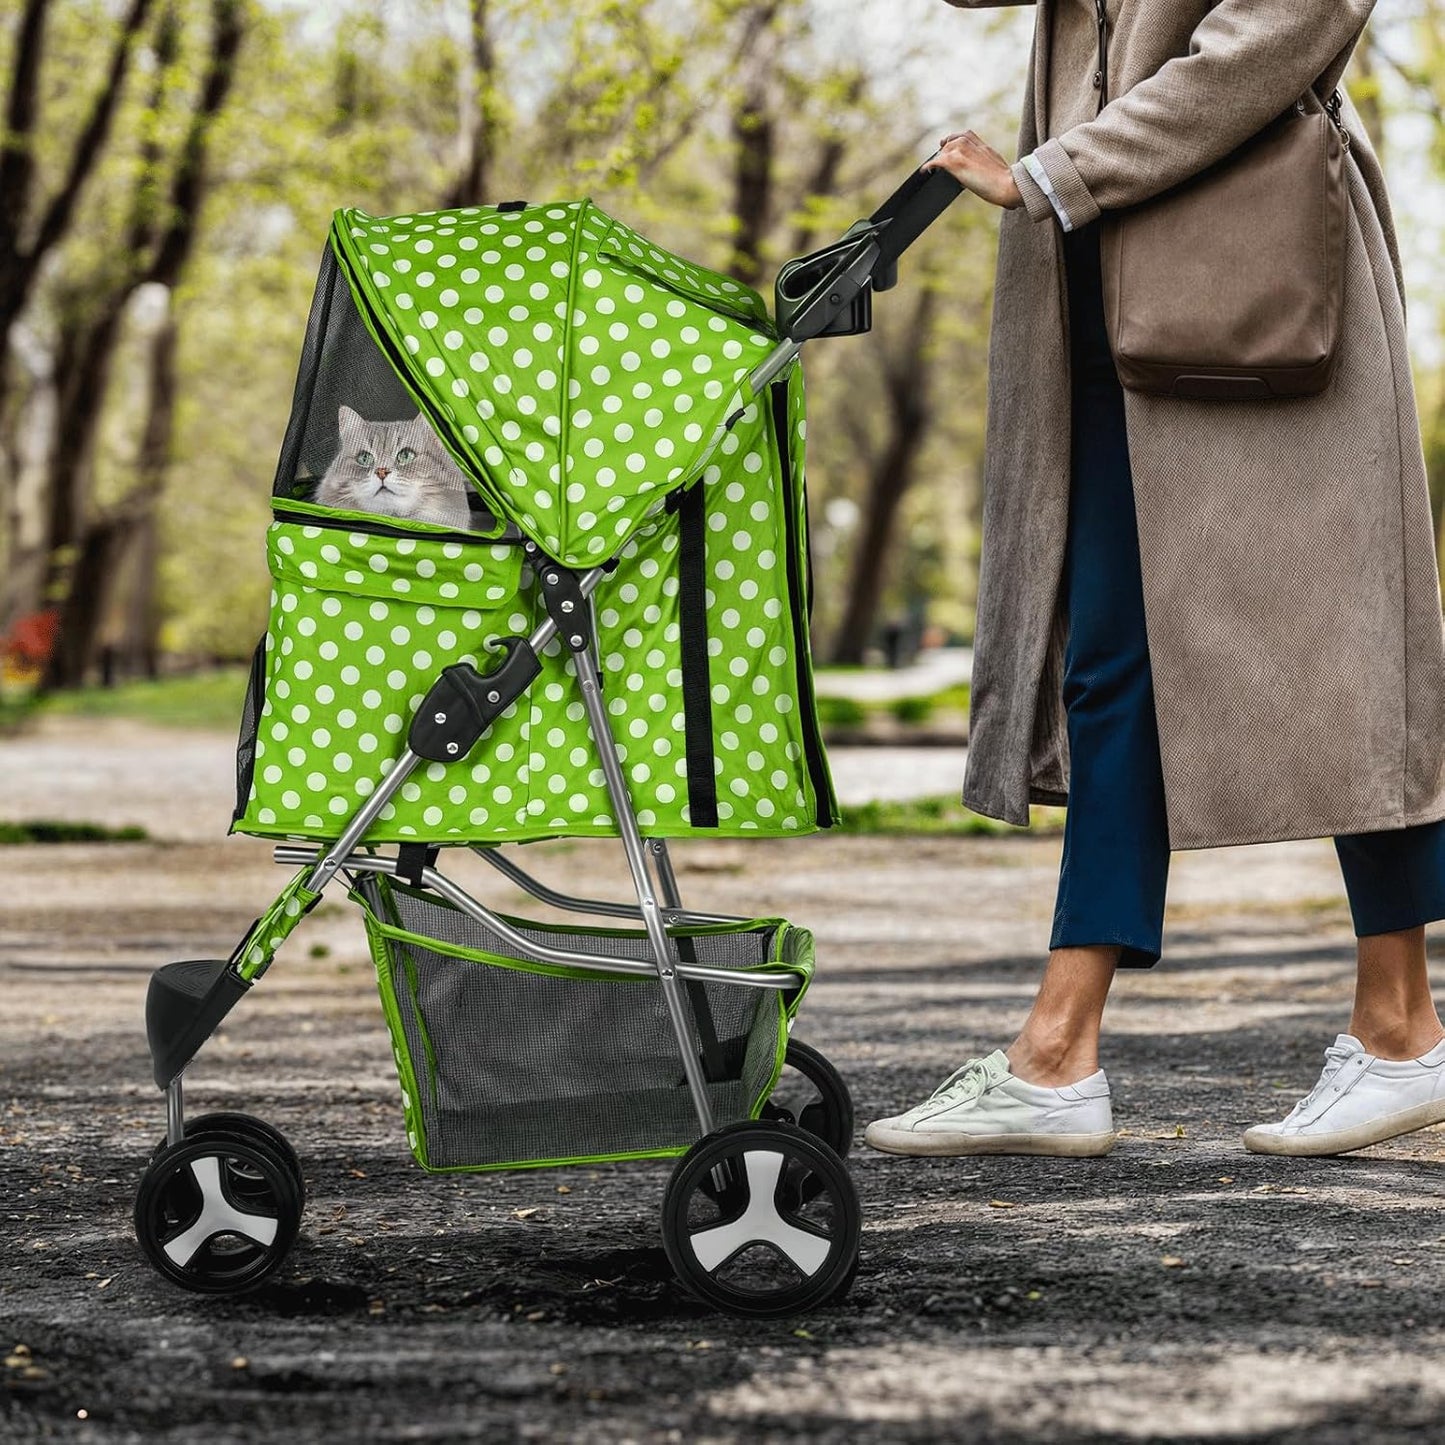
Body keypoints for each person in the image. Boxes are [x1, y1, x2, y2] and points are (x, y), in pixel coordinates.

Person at [865, 0, 1445, 1160]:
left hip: (1256, 282)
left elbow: (1277, 32)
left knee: (1343, 643)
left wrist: (1051, 172)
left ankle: (1396, 1025)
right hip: (1092, 284)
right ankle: (1057, 1052)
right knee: (1110, 663)